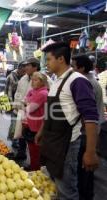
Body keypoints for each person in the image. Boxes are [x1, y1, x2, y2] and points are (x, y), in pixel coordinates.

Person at [35, 42, 99, 200]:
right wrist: (42, 131)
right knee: (54, 185)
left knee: (66, 190)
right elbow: (51, 112)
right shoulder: (56, 81)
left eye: (49, 59)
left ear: (61, 59)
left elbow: (91, 117)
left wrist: (90, 152)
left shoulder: (78, 81)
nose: (46, 63)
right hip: (53, 141)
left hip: (68, 145)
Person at [72, 54, 105, 200]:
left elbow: (88, 115)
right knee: (86, 170)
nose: (71, 69)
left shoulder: (86, 84)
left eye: (73, 66)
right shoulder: (89, 81)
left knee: (85, 167)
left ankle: (84, 195)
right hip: (89, 130)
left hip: (87, 133)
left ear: (82, 68)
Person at [11, 58, 42, 160]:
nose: (25, 67)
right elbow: (18, 93)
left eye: (28, 65)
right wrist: (16, 106)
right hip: (22, 111)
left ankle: (36, 163)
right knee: (22, 134)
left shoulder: (43, 79)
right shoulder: (23, 78)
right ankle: (21, 153)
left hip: (35, 115)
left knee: (33, 139)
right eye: (25, 66)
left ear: (35, 67)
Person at [23, 72, 48, 171]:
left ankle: (35, 170)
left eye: (36, 80)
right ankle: (33, 167)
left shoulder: (42, 93)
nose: (32, 82)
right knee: (32, 150)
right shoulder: (34, 91)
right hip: (31, 125)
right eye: (32, 80)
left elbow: (29, 108)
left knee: (36, 151)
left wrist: (26, 102)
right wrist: (27, 102)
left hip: (37, 127)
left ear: (42, 82)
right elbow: (24, 100)